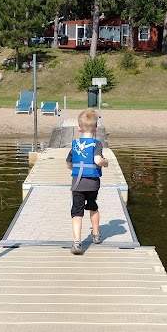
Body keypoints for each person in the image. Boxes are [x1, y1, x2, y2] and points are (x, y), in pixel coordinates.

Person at [66, 109, 109, 255]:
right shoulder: (97, 144)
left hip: (77, 184)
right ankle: (96, 235)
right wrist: (105, 162)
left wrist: (75, 168)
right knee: (93, 206)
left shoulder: (75, 144)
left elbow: (68, 164)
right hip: (92, 184)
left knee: (76, 212)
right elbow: (97, 160)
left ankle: (77, 242)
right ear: (96, 127)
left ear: (78, 127)